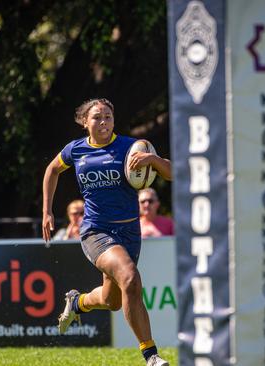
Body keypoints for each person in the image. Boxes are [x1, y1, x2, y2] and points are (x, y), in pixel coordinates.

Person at [42, 98, 171, 366]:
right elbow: (52, 170)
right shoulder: (75, 150)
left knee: (112, 300)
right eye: (98, 117)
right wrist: (47, 210)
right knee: (131, 277)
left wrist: (153, 159)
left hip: (129, 232)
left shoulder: (129, 146)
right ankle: (151, 355)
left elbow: (173, 173)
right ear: (84, 122)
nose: (104, 122)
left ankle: (77, 302)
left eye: (108, 117)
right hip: (95, 231)